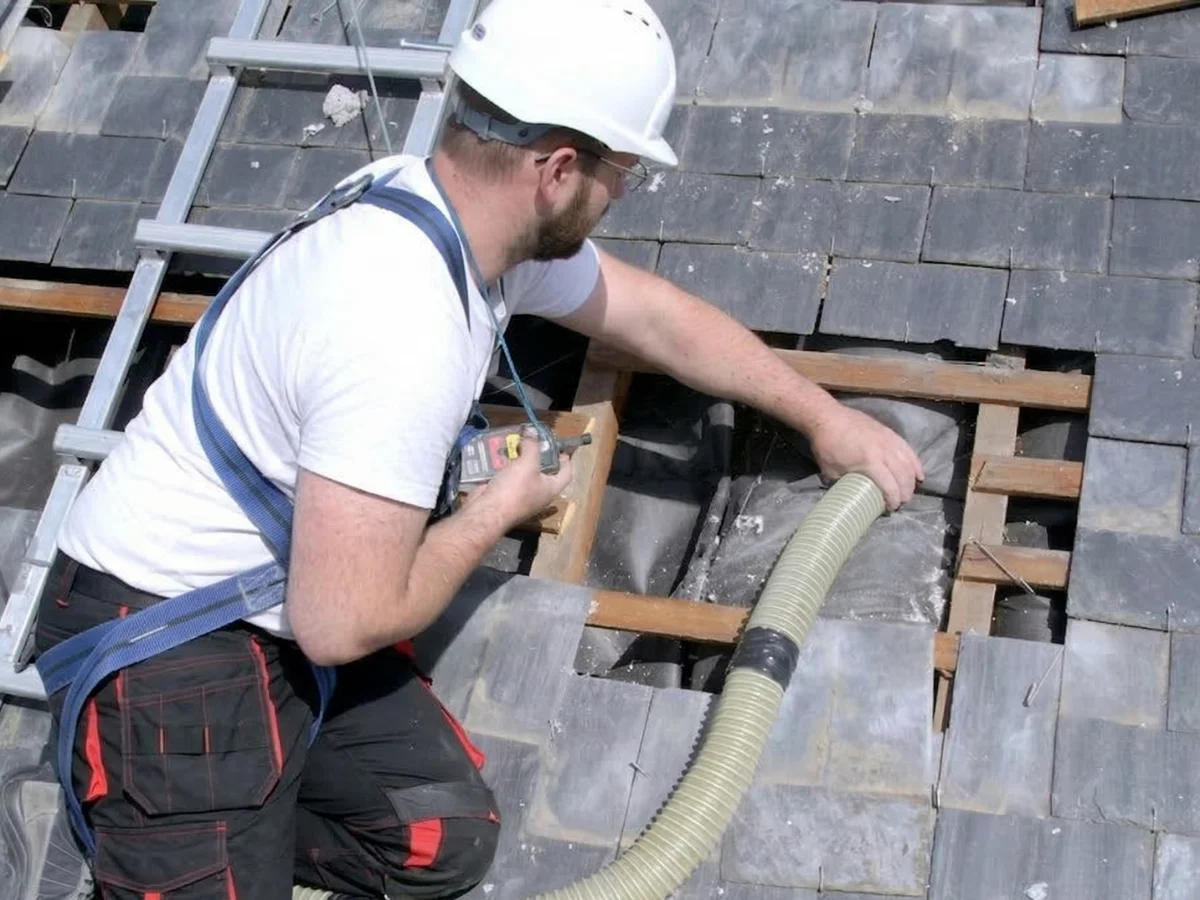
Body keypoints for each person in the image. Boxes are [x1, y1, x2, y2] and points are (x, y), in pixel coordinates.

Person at [32, 0, 924, 897]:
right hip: (164, 640)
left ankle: (210, 838)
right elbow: (343, 624)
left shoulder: (449, 213)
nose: (622, 195)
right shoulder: (399, 325)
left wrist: (822, 415)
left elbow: (656, 318)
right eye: (621, 172)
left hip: (279, 608)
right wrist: (497, 510)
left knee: (437, 838)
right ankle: (160, 835)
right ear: (559, 169)